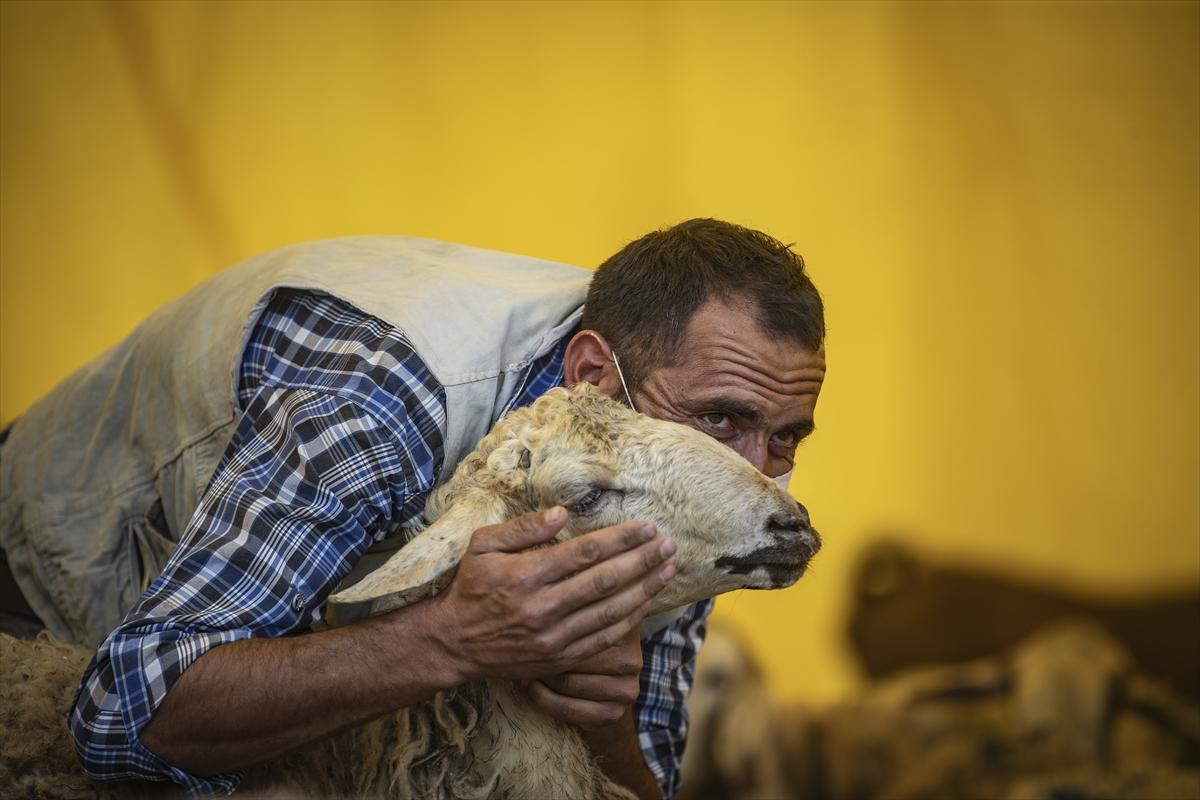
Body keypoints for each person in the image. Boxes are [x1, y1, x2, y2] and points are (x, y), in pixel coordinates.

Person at [0, 218, 825, 798]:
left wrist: (602, 712)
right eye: (719, 419)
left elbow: (644, 782)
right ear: (592, 375)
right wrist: (453, 639)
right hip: (42, 569)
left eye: (785, 437)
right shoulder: (375, 403)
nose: (755, 472)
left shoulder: (709, 484)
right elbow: (120, 715)